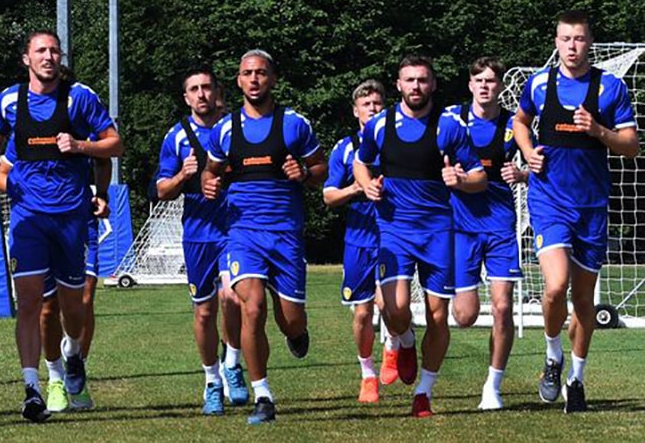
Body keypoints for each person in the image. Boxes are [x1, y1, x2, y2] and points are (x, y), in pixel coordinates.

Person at [0, 30, 122, 422]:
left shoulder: (80, 98)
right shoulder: (11, 101)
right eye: (40, 50)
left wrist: (80, 147)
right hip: (28, 218)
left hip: (71, 217)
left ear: (60, 57)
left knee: (73, 307)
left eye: (53, 50)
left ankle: (73, 352)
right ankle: (34, 388)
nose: (48, 56)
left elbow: (114, 144)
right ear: (26, 58)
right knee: (32, 305)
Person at [513, 11, 638, 413]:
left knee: (583, 299)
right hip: (549, 201)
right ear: (556, 41)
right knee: (554, 287)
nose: (571, 46)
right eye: (565, 39)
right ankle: (553, 356)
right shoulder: (539, 84)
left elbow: (631, 146)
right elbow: (519, 120)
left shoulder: (609, 89)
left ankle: (577, 380)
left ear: (590, 44)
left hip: (591, 206)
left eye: (579, 39)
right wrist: (528, 151)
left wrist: (598, 131)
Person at [353, 55, 486, 418]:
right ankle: (405, 339)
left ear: (433, 85)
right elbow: (361, 161)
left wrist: (460, 180)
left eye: (423, 80)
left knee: (438, 316)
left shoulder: (449, 126)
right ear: (398, 85)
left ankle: (424, 393)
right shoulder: (380, 125)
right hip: (394, 230)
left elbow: (480, 177)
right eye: (409, 80)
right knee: (394, 311)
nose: (416, 87)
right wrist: (366, 185)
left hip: (438, 233)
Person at [202, 49, 327, 424]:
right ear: (238, 81)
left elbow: (322, 169)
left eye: (261, 73)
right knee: (251, 308)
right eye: (246, 73)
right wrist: (210, 185)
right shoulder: (225, 129)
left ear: (273, 79)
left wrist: (303, 173)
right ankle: (263, 396)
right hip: (243, 234)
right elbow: (211, 173)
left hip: (286, 235)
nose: (254, 79)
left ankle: (295, 332)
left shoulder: (294, 124)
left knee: (291, 322)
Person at [156, 67, 247, 415]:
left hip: (236, 229)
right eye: (194, 89)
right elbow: (160, 190)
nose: (201, 94)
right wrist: (184, 173)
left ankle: (234, 363)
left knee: (233, 295)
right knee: (205, 310)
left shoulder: (239, 130)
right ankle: (212, 380)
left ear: (217, 92)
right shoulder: (176, 137)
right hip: (197, 233)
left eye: (207, 87)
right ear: (186, 97)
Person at [447, 57, 528, 410]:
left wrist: (523, 174)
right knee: (464, 316)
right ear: (470, 85)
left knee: (502, 307)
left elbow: (541, 160)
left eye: (491, 80)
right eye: (478, 79)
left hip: (498, 225)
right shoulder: (452, 118)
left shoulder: (514, 124)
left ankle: (492, 386)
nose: (485, 86)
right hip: (459, 226)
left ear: (499, 86)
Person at [322, 79, 396, 403]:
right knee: (363, 312)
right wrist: (356, 188)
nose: (373, 109)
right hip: (359, 237)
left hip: (393, 234)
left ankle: (393, 345)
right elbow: (328, 194)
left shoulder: (397, 140)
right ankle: (367, 374)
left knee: (390, 304)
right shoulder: (345, 148)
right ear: (356, 112)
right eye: (367, 105)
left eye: (378, 104)